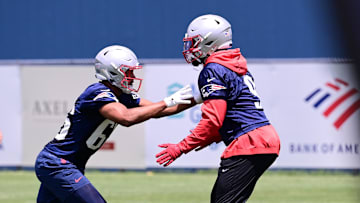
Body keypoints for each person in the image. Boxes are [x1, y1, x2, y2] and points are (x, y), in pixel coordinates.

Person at [35, 45, 196, 203]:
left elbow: (160, 111)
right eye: (128, 71)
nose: (132, 76)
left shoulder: (122, 95)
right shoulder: (97, 92)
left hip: (67, 164)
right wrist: (166, 101)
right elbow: (126, 118)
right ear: (112, 72)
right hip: (57, 164)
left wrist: (200, 98)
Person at [156, 14, 281, 202]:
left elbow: (213, 119)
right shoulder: (234, 65)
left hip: (248, 142)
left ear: (210, 41)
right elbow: (236, 111)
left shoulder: (213, 69)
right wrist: (216, 135)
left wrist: (180, 148)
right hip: (264, 138)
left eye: (195, 42)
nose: (191, 48)